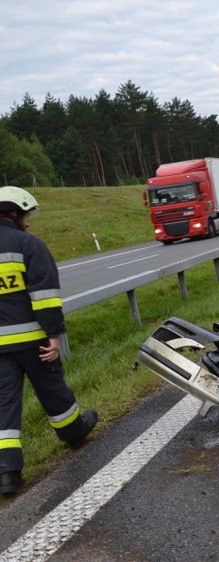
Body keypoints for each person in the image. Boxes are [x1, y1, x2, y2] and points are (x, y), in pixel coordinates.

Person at [0, 186, 98, 496]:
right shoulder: (27, 244)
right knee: (51, 389)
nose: (28, 222)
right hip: (34, 340)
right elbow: (44, 298)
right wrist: (54, 337)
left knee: (4, 405)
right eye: (26, 215)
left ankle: (7, 474)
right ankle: (73, 432)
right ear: (15, 214)